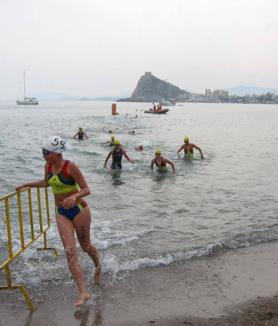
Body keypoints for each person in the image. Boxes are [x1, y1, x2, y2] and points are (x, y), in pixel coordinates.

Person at [15, 136, 101, 307]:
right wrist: (27, 184)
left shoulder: (71, 167)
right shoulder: (48, 166)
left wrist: (74, 195)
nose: (43, 155)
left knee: (85, 246)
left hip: (79, 210)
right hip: (61, 212)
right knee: (70, 251)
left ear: (56, 153)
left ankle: (98, 266)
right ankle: (83, 292)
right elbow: (46, 183)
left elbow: (86, 189)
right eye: (42, 152)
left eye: (45, 153)